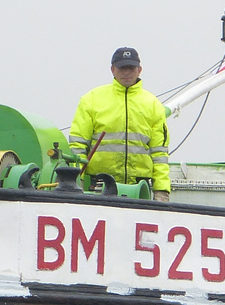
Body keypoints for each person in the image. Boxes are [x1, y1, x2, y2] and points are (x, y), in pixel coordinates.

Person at [69, 47, 171, 201]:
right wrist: (77, 181)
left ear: (139, 70)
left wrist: (162, 191)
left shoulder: (153, 105)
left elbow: (159, 154)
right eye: (122, 67)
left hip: (139, 188)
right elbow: (77, 147)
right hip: (98, 186)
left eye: (131, 68)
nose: (126, 72)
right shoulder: (91, 100)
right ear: (112, 69)